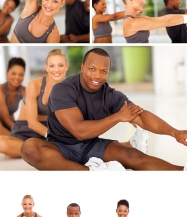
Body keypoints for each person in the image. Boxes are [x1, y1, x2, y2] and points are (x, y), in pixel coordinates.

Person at [20, 48, 187, 171]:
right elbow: (79, 131)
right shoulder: (63, 90)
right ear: (82, 66)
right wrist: (117, 117)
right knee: (29, 148)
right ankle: (92, 171)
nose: (97, 76)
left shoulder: (111, 95)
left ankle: (181, 171)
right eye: (92, 69)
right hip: (60, 147)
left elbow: (140, 117)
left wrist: (175, 132)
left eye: (103, 71)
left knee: (134, 156)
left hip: (92, 145)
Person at [0, 49, 68, 158]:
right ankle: (41, 149)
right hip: (25, 130)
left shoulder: (69, 89)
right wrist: (54, 137)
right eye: (52, 66)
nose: (56, 70)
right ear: (46, 67)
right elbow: (32, 123)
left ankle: (42, 149)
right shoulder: (34, 85)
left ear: (66, 66)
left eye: (60, 65)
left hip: (48, 131)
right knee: (2, 143)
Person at [116, 0, 187, 43]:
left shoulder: (137, 19)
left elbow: (163, 19)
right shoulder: (131, 22)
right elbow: (167, 21)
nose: (144, 1)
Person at [0, 58, 26, 136]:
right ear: (7, 73)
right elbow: (6, 120)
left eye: (21, 74)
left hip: (11, 125)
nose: (17, 78)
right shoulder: (1, 90)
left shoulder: (24, 91)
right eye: (13, 73)